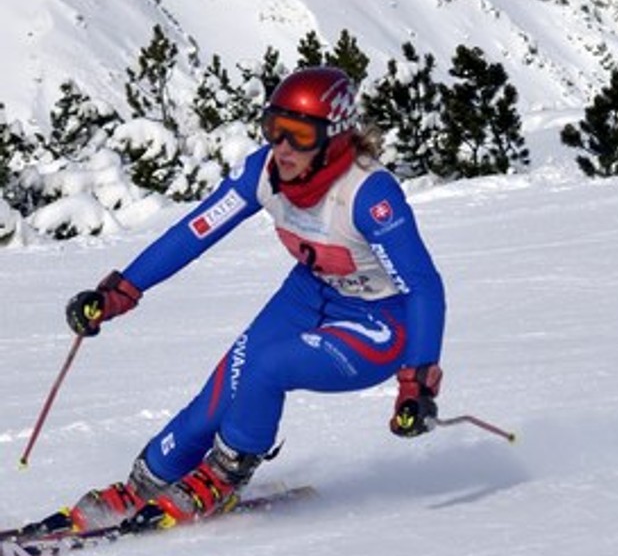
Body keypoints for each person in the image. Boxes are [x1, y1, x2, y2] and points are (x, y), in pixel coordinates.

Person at [59, 65, 447, 531]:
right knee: (220, 393)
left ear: (336, 137)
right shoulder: (263, 172)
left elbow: (423, 286)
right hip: (307, 293)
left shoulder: (368, 195)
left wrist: (417, 384)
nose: (282, 147)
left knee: (269, 367)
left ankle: (225, 476)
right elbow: (196, 229)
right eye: (274, 129)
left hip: (381, 322)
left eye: (300, 135)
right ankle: (146, 485)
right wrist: (123, 289)